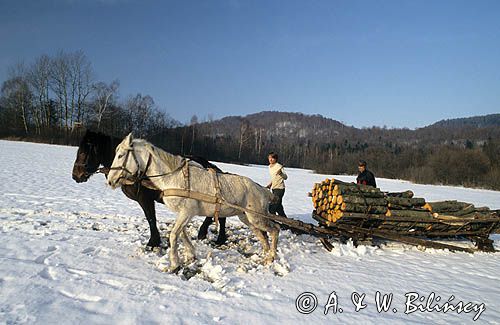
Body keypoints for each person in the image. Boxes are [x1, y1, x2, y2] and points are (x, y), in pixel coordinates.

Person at [266, 152, 287, 217]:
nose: (270, 159)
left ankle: (273, 223)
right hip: (274, 188)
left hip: (280, 189)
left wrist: (281, 173)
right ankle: (286, 223)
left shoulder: (279, 166)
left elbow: (285, 177)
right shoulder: (269, 167)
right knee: (279, 208)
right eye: (269, 158)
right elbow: (274, 177)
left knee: (272, 208)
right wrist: (270, 184)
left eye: (272, 158)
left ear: (275, 159)